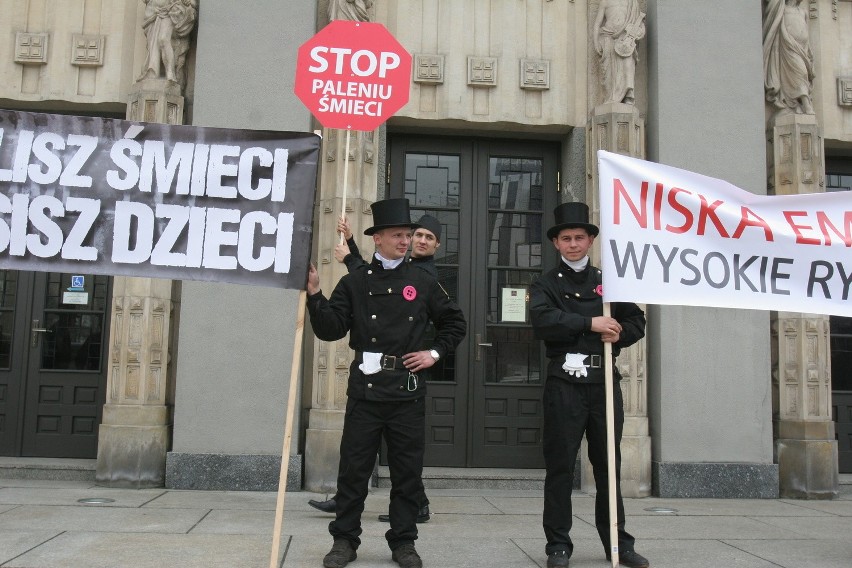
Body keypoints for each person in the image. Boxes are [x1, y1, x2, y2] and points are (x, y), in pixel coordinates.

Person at [306, 198, 466, 568]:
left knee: (407, 474)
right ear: (377, 239)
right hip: (366, 391)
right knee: (354, 470)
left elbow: (455, 324)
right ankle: (344, 541)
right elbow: (331, 329)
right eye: (397, 235)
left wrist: (434, 355)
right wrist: (315, 294)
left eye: (408, 235)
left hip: (407, 392)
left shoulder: (423, 282)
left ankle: (403, 542)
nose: (405, 241)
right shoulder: (355, 281)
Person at [529, 202, 648, 568]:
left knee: (607, 465)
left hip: (602, 383)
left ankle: (618, 542)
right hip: (564, 381)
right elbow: (543, 322)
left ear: (591, 240)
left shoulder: (611, 281)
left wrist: (619, 332)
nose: (573, 244)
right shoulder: (545, 284)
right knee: (561, 465)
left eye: (579, 237)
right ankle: (558, 545)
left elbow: (636, 321)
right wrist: (590, 323)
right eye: (566, 238)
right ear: (556, 243)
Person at [763, 0, 815, 115]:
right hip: (788, 47)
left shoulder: (803, 12)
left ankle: (796, 105)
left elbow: (805, 30)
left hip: (802, 50)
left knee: (804, 74)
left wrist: (809, 52)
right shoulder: (782, 9)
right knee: (800, 73)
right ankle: (806, 105)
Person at [593, 0, 645, 105]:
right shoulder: (605, 2)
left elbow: (640, 24)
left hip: (625, 39)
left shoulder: (632, 3)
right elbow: (597, 24)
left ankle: (628, 96)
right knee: (609, 72)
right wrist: (595, 42)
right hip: (608, 37)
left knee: (627, 65)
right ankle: (610, 98)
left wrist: (639, 33)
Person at [139, 0, 198, 86]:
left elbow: (193, 3)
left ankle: (170, 73)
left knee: (163, 39)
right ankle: (155, 71)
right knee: (156, 43)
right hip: (155, 11)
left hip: (173, 11)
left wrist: (189, 2)